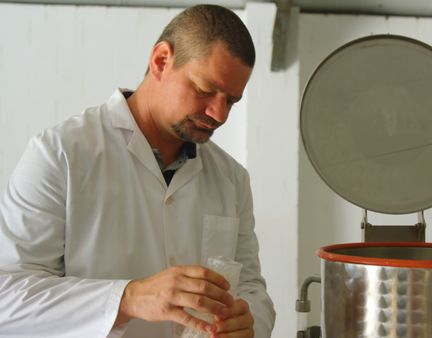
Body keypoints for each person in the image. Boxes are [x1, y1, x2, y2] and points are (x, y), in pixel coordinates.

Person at [0, 4, 275, 338]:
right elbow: (7, 298)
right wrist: (127, 298)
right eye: (205, 90)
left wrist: (249, 322)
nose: (218, 114)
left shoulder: (232, 179)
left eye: (231, 101)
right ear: (161, 60)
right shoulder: (61, 154)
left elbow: (250, 288)